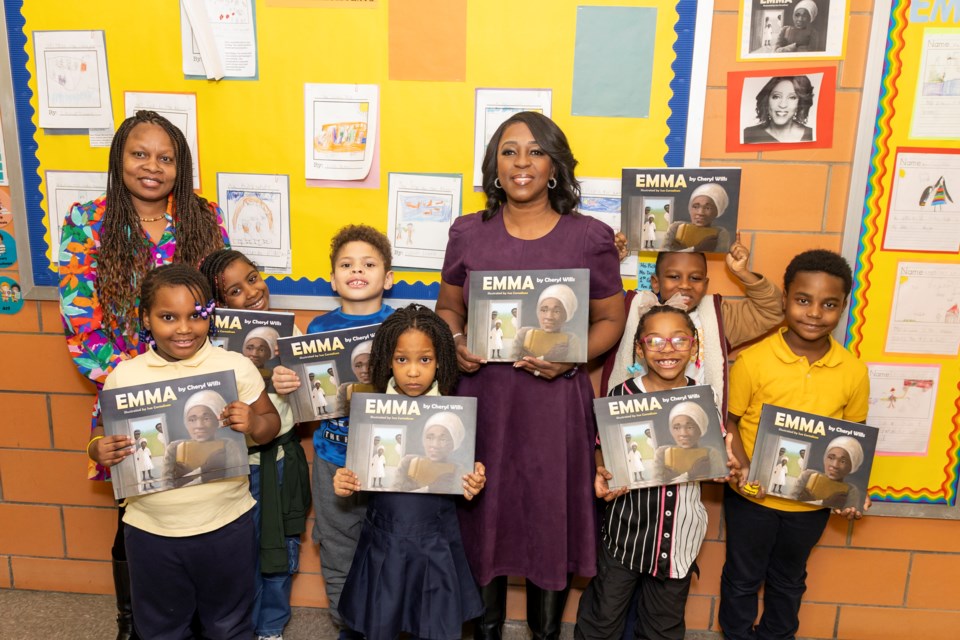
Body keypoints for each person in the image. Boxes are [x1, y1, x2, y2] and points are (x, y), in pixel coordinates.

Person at [436, 111, 625, 639]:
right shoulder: (468, 232)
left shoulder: (589, 237)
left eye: (536, 151)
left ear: (556, 166)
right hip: (484, 399)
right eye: (509, 150)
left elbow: (612, 318)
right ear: (494, 165)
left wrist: (573, 356)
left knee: (549, 517)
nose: (522, 162)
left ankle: (545, 634)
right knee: (483, 514)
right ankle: (488, 630)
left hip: (553, 403)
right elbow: (449, 309)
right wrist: (454, 343)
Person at [59, 110, 228, 640]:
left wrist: (196, 374)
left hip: (199, 383)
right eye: (139, 154)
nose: (152, 166)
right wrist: (136, 382)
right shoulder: (88, 221)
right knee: (139, 511)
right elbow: (80, 317)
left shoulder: (205, 217)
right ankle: (133, 622)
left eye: (165, 157)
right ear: (119, 158)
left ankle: (201, 621)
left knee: (202, 503)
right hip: (130, 388)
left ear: (180, 165)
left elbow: (219, 307)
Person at [88, 263, 280, 640]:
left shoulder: (234, 366)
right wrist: (99, 449)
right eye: (167, 317)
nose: (183, 328)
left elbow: (269, 424)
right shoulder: (124, 376)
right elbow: (99, 431)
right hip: (149, 531)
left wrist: (254, 424)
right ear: (146, 317)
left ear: (210, 314)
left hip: (226, 524)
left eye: (195, 316)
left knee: (228, 624)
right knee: (161, 627)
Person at [720, 249, 870, 640]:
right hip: (751, 498)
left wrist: (854, 490)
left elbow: (853, 438)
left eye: (829, 304)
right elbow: (731, 422)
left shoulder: (853, 371)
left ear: (842, 308)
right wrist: (742, 469)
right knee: (741, 579)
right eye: (803, 300)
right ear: (785, 298)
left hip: (809, 505)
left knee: (789, 581)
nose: (814, 313)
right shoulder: (754, 360)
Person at [332, 304, 487, 640]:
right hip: (384, 537)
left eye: (425, 360)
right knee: (380, 617)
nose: (413, 372)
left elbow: (465, 473)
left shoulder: (453, 411)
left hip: (435, 539)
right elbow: (356, 468)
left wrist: (473, 479)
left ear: (441, 360)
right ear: (388, 359)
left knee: (433, 620)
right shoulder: (370, 409)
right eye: (403, 360)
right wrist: (345, 481)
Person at [576, 305, 729, 640]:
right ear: (640, 348)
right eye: (655, 341)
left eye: (678, 340)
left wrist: (724, 465)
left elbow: (715, 458)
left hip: (679, 539)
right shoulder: (621, 395)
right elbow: (603, 448)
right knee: (602, 617)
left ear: (694, 346)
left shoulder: (704, 399)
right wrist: (602, 470)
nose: (668, 349)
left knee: (663, 625)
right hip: (625, 534)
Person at [271, 224, 395, 637]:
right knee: (340, 551)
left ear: (388, 277)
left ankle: (384, 626)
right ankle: (349, 627)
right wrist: (288, 388)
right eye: (346, 264)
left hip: (388, 466)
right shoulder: (316, 331)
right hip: (331, 459)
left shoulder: (402, 328)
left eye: (368, 263)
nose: (356, 270)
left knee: (389, 551)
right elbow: (303, 408)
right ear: (332, 277)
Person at [200, 247, 312, 640]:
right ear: (215, 304)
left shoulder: (291, 334)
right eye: (234, 290)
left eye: (252, 277)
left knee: (280, 549)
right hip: (231, 467)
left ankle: (271, 628)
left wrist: (295, 385)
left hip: (279, 460)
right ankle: (238, 627)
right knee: (235, 552)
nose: (250, 291)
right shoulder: (205, 346)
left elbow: (310, 409)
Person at [162, 389, 249, 489]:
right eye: (192, 420)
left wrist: (188, 478)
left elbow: (235, 484)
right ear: (186, 423)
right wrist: (203, 471)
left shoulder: (229, 446)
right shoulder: (174, 448)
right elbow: (166, 487)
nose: (199, 426)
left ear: (218, 421)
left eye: (206, 418)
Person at [393, 411, 469, 493]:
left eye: (443, 439)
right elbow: (392, 495)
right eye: (429, 438)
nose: (435, 445)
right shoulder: (408, 462)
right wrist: (429, 489)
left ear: (453, 444)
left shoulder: (459, 471)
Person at [653, 400, 728, 483]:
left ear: (700, 429)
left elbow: (718, 481)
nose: (683, 434)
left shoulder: (711, 454)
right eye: (676, 428)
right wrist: (689, 475)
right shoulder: (662, 453)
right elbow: (655, 482)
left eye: (690, 427)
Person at [513, 283, 583, 362]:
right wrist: (546, 357)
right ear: (538, 312)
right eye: (544, 310)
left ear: (566, 315)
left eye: (557, 311)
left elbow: (568, 368)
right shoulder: (523, 334)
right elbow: (510, 362)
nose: (549, 317)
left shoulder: (571, 340)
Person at [794, 436, 864, 510]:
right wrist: (824, 503)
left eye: (843, 461)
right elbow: (789, 501)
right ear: (825, 458)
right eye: (831, 457)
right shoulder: (807, 476)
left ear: (852, 466)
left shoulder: (851, 491)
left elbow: (847, 518)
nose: (835, 465)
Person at [742, 76, 815, 144]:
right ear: (766, 100)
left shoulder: (812, 134)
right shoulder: (748, 134)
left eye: (792, 97)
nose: (782, 105)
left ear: (800, 102)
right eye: (776, 96)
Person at [663, 183, 732, 253]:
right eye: (695, 206)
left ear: (717, 212)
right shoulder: (675, 228)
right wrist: (696, 248)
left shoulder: (720, 234)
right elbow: (662, 255)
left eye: (708, 208)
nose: (700, 213)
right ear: (690, 209)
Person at [335, 340, 375, 413]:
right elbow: (340, 417)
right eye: (358, 366)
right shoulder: (346, 389)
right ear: (353, 368)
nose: (365, 370)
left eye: (370, 364)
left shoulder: (392, 386)